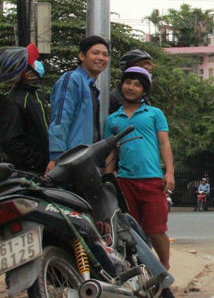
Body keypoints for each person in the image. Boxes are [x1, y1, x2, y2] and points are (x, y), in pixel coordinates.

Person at [104, 66, 175, 268]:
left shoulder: (154, 114)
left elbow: (164, 143)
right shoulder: (112, 119)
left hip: (152, 179)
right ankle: (139, 271)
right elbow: (111, 151)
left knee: (156, 229)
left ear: (144, 91)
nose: (131, 88)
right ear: (121, 86)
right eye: (128, 83)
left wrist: (169, 172)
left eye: (137, 85)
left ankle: (164, 269)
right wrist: (108, 180)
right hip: (125, 182)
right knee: (130, 231)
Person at [47, 35, 110, 172]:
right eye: (95, 53)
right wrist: (56, 156)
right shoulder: (72, 79)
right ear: (82, 56)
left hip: (86, 162)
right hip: (69, 161)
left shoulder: (91, 88)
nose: (101, 58)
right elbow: (60, 118)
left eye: (105, 55)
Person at [0, 44, 48, 173]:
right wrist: (37, 162)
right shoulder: (14, 101)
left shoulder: (35, 95)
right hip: (29, 173)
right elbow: (11, 142)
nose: (37, 64)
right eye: (32, 63)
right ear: (25, 73)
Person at [109, 49, 153, 113]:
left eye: (149, 71)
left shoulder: (144, 101)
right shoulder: (114, 100)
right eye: (144, 69)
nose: (147, 74)